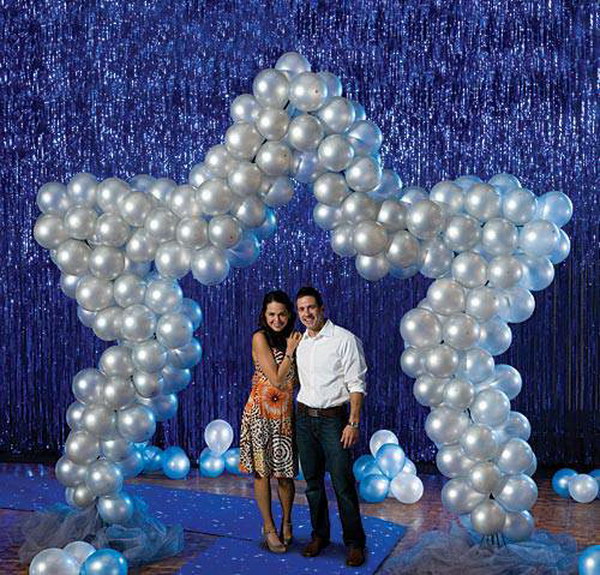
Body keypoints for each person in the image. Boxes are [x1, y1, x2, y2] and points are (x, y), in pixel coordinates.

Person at [294, 286, 367, 567]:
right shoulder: (300, 342)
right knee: (312, 483)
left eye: (311, 307)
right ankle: (319, 536)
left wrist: (353, 422)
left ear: (322, 308)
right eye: (301, 309)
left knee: (342, 485)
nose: (306, 313)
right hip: (303, 418)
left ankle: (354, 543)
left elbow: (357, 385)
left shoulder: (344, 339)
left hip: (333, 420)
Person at [239, 290, 302, 554]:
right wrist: (290, 351)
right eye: (271, 314)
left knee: (286, 476)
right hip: (260, 416)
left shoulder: (296, 338)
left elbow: (296, 380)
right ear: (264, 315)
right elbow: (276, 378)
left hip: (285, 416)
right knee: (262, 474)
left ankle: (287, 521)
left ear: (289, 315)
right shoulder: (260, 337)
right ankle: (269, 527)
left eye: (282, 314)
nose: (277, 319)